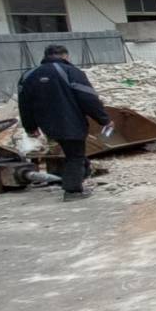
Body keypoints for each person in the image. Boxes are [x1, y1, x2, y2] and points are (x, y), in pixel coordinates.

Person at [16, 44, 112, 202]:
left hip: (47, 125)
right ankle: (72, 191)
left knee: (72, 152)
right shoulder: (70, 71)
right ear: (65, 56)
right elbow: (88, 98)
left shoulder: (28, 75)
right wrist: (104, 120)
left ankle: (78, 175)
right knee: (75, 155)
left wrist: (30, 127)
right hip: (71, 121)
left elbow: (24, 104)